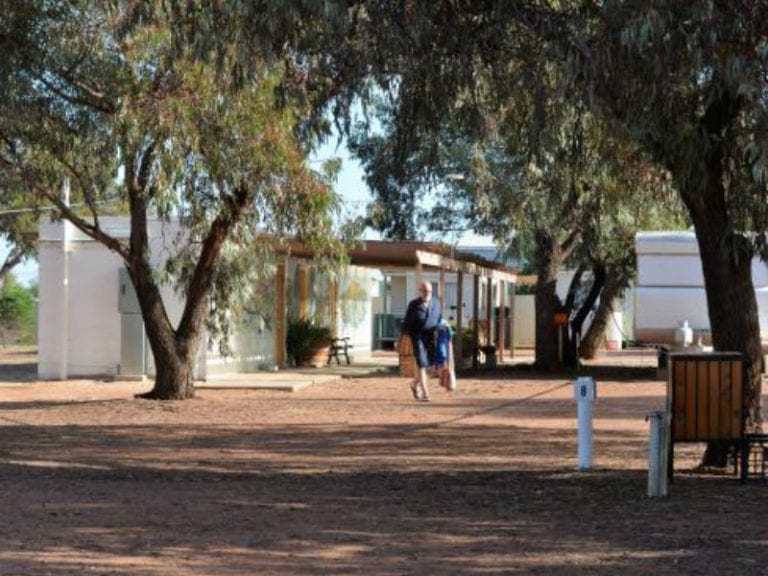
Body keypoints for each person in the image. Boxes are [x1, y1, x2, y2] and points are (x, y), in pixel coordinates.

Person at [401, 280, 441, 402]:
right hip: (417, 337)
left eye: (428, 291)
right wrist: (404, 337)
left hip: (430, 337)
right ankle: (425, 393)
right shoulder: (414, 304)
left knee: (429, 365)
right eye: (424, 291)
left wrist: (442, 328)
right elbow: (407, 322)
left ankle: (414, 384)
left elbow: (439, 318)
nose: (426, 293)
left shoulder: (436, 303)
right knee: (422, 364)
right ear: (420, 291)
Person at [435, 318, 456, 391]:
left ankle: (448, 384)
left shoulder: (442, 327)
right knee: (448, 365)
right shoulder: (444, 325)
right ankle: (449, 384)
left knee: (446, 366)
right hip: (446, 344)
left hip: (444, 346)